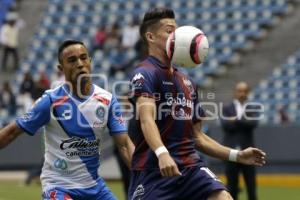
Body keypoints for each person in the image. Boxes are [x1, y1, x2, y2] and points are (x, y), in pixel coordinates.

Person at [127, 8, 266, 200]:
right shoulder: (145, 73)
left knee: (224, 197)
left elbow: (198, 137)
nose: (175, 35)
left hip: (191, 167)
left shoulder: (187, 82)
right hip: (154, 169)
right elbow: (146, 120)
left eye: (176, 30)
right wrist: (162, 154)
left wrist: (236, 155)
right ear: (150, 37)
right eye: (169, 31)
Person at [0, 40, 134, 200]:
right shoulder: (50, 101)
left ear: (90, 61)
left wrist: (144, 177)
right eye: (72, 60)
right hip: (59, 186)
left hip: (94, 187)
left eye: (83, 58)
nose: (79, 64)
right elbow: (12, 132)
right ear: (61, 68)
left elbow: (124, 145)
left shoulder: (108, 101)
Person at [221, 81, 262, 200]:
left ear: (248, 92)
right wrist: (243, 121)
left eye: (245, 91)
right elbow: (225, 126)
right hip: (230, 152)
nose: (242, 93)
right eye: (240, 91)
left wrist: (236, 120)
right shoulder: (227, 108)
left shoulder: (252, 108)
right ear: (235, 92)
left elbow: (253, 124)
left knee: (251, 186)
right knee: (232, 187)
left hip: (249, 152)